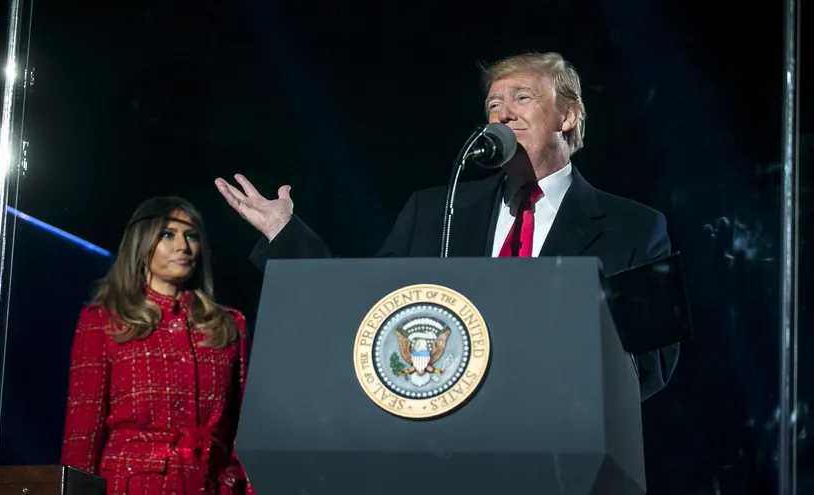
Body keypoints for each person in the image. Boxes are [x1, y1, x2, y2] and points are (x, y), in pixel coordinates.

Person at [215, 51, 678, 401]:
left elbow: (650, 366)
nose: (502, 113)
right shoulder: (435, 211)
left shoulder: (633, 227)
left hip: (562, 448)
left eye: (522, 97)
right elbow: (364, 309)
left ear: (568, 115)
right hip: (445, 443)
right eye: (493, 103)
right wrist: (285, 234)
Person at [61, 196, 255, 495]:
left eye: (191, 236)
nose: (183, 246)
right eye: (168, 234)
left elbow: (245, 433)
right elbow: (83, 432)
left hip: (212, 486)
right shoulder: (103, 321)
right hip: (134, 486)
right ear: (142, 243)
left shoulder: (229, 325)